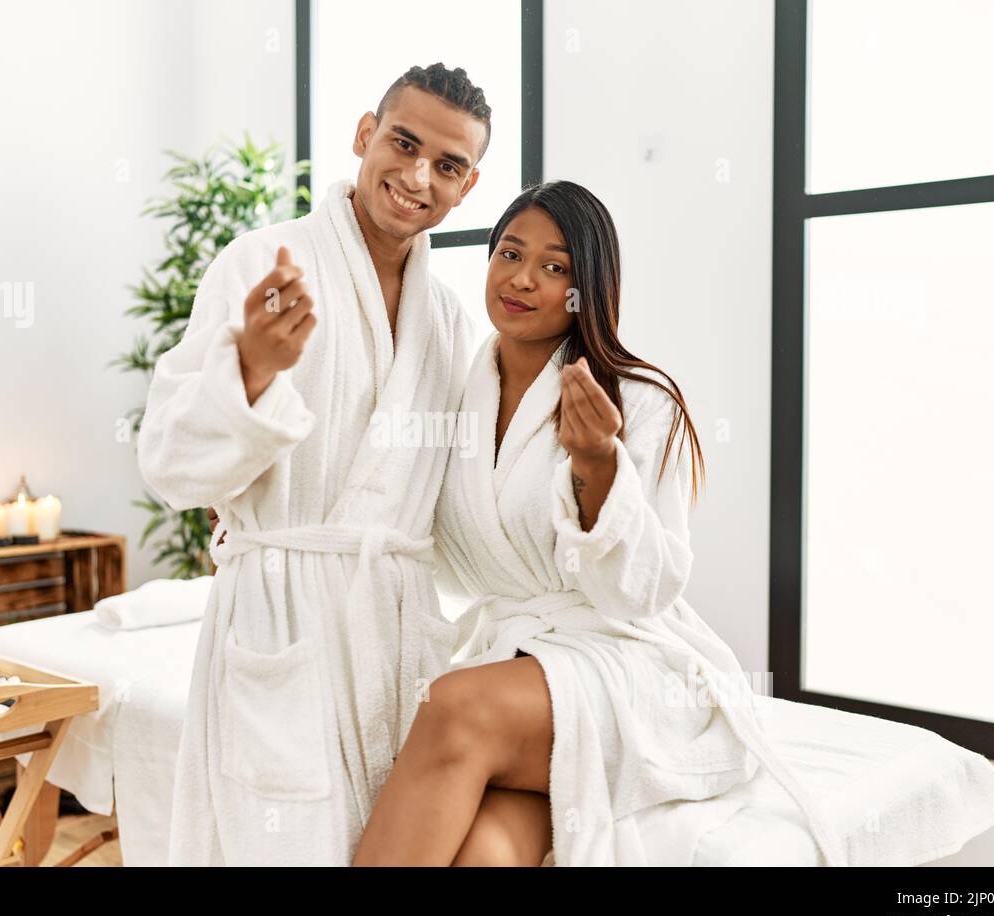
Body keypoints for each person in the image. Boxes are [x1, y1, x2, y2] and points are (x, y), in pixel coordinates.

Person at [351, 180, 848, 866]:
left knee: (451, 707)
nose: (522, 278)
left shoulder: (641, 402)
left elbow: (643, 592)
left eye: (555, 267)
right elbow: (394, 503)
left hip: (627, 663)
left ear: (588, 286)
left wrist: (599, 467)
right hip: (523, 667)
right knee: (487, 853)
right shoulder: (453, 395)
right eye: (509, 252)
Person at [137, 63, 490, 865]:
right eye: (403, 144)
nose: (416, 177)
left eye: (447, 165)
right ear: (364, 135)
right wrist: (251, 372)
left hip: (392, 630)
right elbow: (166, 463)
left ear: (468, 187)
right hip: (281, 618)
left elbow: (448, 499)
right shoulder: (262, 261)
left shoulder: (445, 315)